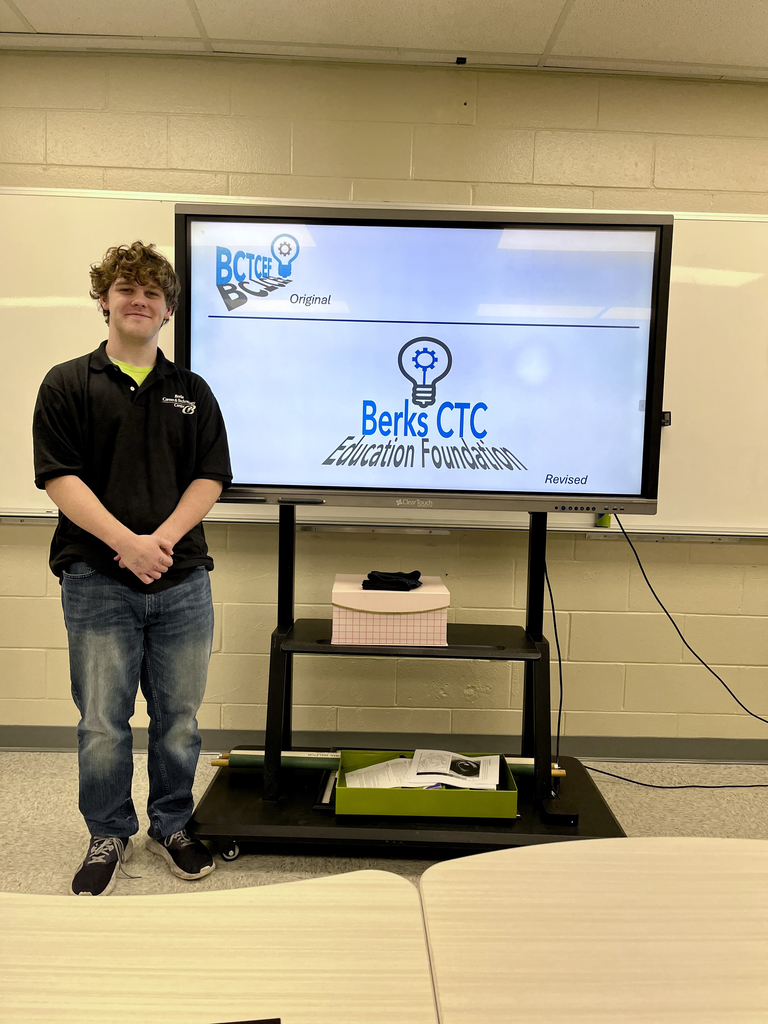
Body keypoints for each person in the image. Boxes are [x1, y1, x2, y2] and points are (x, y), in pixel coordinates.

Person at [33, 241, 232, 897]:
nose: (139, 300)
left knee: (180, 721)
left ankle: (172, 825)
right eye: (126, 289)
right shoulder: (67, 383)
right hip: (96, 582)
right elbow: (59, 478)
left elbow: (210, 477)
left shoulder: (192, 392)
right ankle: (108, 833)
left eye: (152, 293)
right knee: (101, 722)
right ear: (104, 301)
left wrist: (162, 542)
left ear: (168, 310)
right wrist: (127, 543)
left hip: (182, 583)